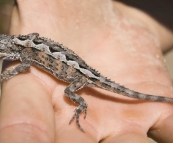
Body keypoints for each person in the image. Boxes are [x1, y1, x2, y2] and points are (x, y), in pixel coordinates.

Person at [0, 0, 173, 142]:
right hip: (79, 67)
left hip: (79, 76)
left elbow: (25, 66)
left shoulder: (24, 53)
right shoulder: (25, 43)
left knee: (68, 92)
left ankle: (82, 104)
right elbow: (35, 35)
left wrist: (9, 73)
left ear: (7, 48)